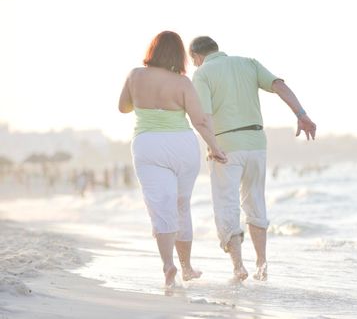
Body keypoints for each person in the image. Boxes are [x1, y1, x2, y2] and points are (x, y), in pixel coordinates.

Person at [189, 36, 317, 281]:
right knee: (255, 201)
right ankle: (262, 263)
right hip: (256, 143)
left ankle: (238, 266)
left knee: (227, 205)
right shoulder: (248, 63)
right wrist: (302, 115)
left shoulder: (203, 73)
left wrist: (212, 146)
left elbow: (204, 117)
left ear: (196, 56)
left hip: (225, 145)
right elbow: (279, 86)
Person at [118, 31, 227, 288]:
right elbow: (199, 120)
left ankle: (168, 265)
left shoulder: (135, 75)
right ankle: (187, 267)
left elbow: (123, 107)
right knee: (181, 205)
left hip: (147, 145)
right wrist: (215, 147)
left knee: (160, 206)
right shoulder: (183, 83)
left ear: (152, 50)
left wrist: (145, 102)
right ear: (180, 55)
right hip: (182, 146)